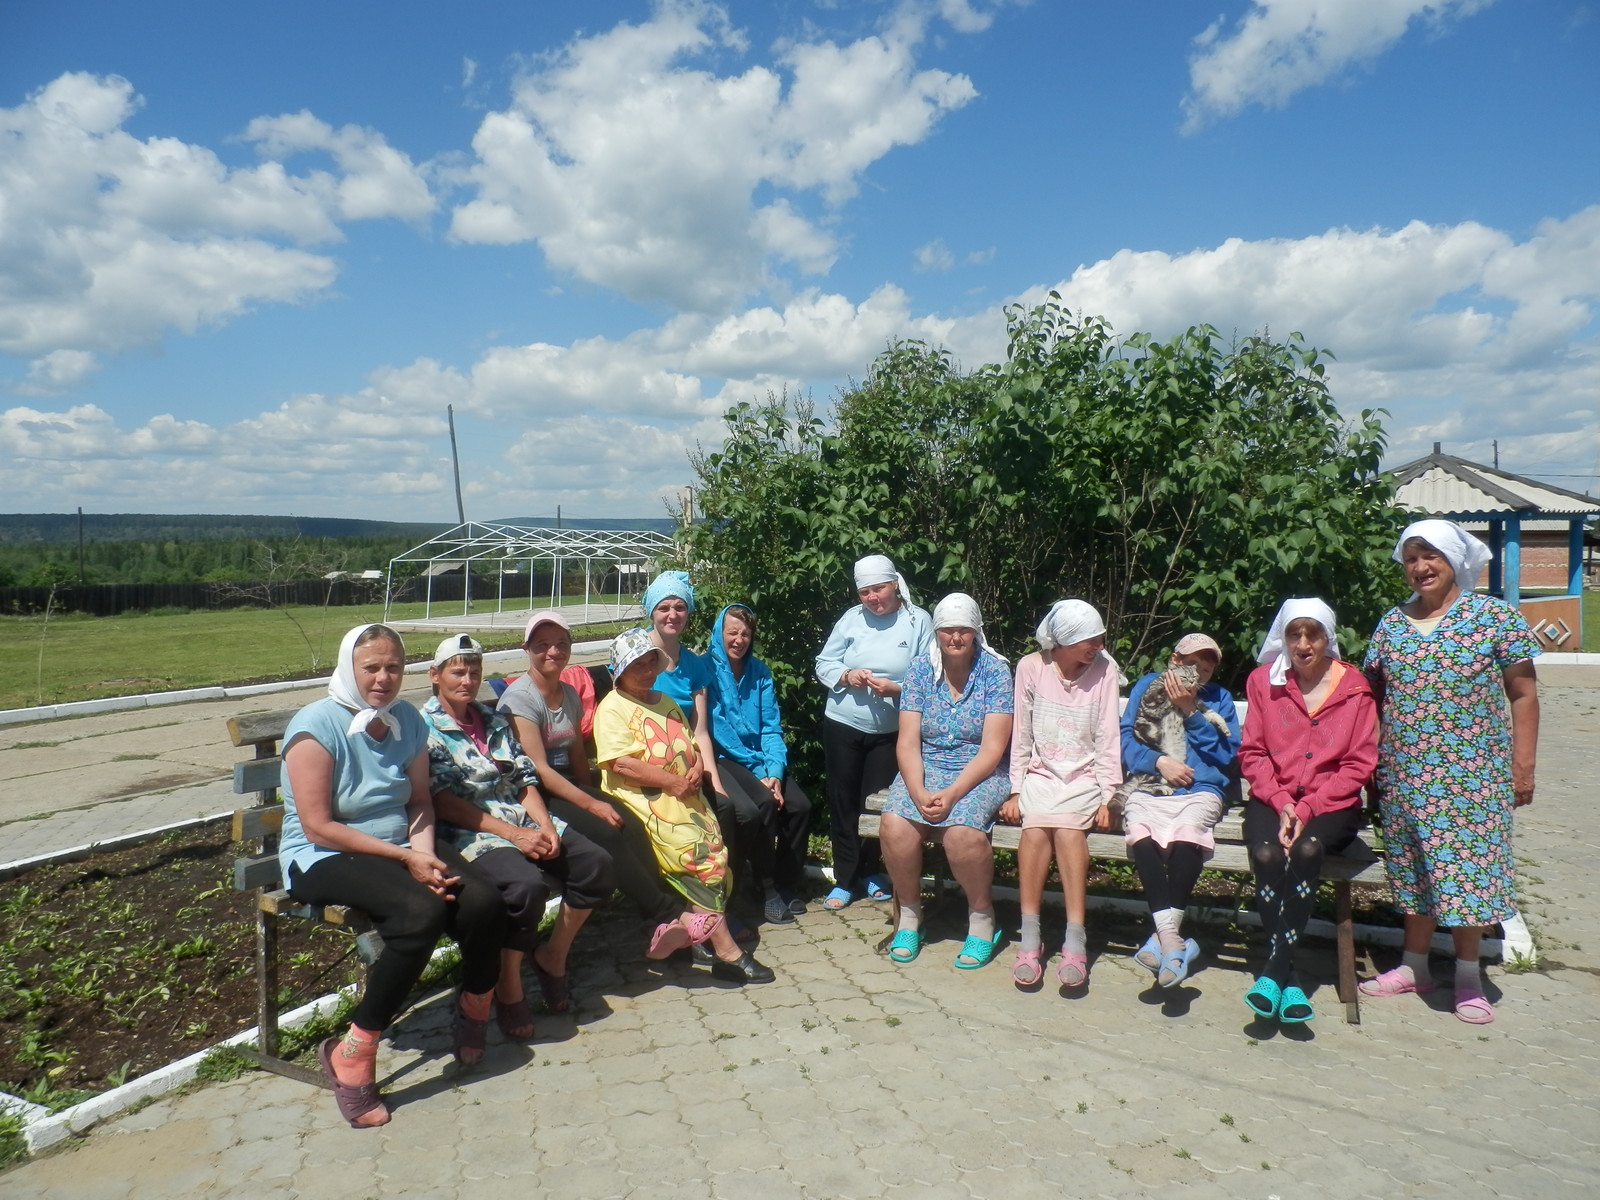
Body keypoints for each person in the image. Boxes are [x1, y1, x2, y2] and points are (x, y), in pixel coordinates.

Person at [279, 624, 505, 1128]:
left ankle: (472, 1007)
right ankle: (353, 1053)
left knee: (484, 901)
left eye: (393, 668)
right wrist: (407, 862)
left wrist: (423, 856)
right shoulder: (316, 726)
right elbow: (318, 824)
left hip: (401, 845)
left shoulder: (406, 719)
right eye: (372, 667)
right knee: (420, 913)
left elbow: (420, 800)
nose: (383, 678)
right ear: (349, 667)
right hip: (322, 854)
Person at [1359, 519, 1540, 1025]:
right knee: (1416, 872)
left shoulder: (1493, 619)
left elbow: (1523, 694)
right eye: (1412, 558)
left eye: (1430, 556)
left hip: (1473, 777)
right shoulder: (1391, 624)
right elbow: (1374, 696)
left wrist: (1522, 766)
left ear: (1453, 559)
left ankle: (1467, 974)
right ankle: (1414, 966)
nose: (1420, 568)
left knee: (1470, 876)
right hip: (1406, 776)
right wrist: (1372, 762)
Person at [422, 633, 613, 1031]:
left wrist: (545, 825)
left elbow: (525, 777)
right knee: (526, 887)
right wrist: (514, 835)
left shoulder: (491, 719)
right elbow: (443, 801)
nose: (467, 680)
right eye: (457, 672)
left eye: (473, 672)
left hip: (522, 818)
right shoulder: (426, 728)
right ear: (434, 676)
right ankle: (509, 981)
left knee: (595, 864)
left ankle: (552, 955)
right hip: (472, 832)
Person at [498, 612, 688, 958]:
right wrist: (592, 804)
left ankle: (658, 921)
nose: (553, 651)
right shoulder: (519, 699)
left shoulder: (568, 693)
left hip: (568, 784)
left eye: (560, 644)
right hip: (536, 793)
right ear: (527, 649)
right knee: (607, 831)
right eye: (542, 645)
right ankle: (666, 914)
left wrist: (597, 794)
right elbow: (539, 770)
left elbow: (573, 754)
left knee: (629, 822)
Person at [594, 627, 776, 984]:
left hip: (684, 796)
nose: (647, 670)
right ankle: (726, 951)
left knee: (716, 850)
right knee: (693, 853)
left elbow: (691, 744)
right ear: (620, 670)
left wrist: (694, 769)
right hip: (644, 801)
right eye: (637, 665)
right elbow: (621, 764)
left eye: (650, 663)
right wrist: (673, 781)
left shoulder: (664, 700)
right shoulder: (612, 708)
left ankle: (695, 932)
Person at [1237, 600, 1378, 1023]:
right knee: (1266, 855)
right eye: (1293, 634)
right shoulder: (1264, 682)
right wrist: (1282, 803)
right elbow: (1253, 752)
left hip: (1331, 802)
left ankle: (1276, 970)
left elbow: (1359, 763)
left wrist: (1308, 806)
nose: (1302, 644)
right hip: (1272, 797)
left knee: (1308, 850)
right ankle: (1290, 977)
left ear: (1327, 637)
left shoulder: (1354, 689)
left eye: (1312, 633)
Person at [878, 594, 1014, 968]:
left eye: (963, 630)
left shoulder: (996, 672)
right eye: (948, 631)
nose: (955, 638)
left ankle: (983, 919)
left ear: (976, 632)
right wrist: (918, 790)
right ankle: (909, 916)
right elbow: (907, 741)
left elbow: (992, 749)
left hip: (980, 771)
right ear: (936, 632)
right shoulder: (921, 670)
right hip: (928, 765)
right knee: (895, 823)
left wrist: (953, 794)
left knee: (962, 833)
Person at [1001, 600, 1122, 990]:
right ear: (1064, 642)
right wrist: (1016, 789)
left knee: (1069, 834)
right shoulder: (1031, 667)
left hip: (1084, 779)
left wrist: (1109, 796)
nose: (1098, 646)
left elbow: (1107, 736)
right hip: (1040, 776)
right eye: (1090, 640)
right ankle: (1030, 937)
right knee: (1034, 833)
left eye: (1101, 638)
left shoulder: (1106, 669)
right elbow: (1021, 733)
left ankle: (1075, 939)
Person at [1120, 633, 1240, 989]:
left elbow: (1227, 756)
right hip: (1150, 786)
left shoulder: (1219, 699)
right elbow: (1126, 738)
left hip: (1200, 791)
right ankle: (1174, 942)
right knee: (1141, 836)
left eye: (1206, 668)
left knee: (1187, 839)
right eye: (1192, 665)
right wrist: (1159, 762)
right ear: (1175, 660)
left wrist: (1191, 712)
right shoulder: (1146, 686)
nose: (1198, 674)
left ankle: (1162, 940)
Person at [814, 554, 933, 909]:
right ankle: (844, 878)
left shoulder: (918, 622)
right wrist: (847, 676)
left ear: (895, 584)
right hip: (843, 724)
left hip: (892, 730)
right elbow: (824, 662)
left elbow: (930, 674)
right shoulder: (851, 620)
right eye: (865, 592)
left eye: (878, 589)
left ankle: (869, 872)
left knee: (876, 805)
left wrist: (896, 689)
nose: (872, 598)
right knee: (843, 800)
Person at [705, 603, 814, 924]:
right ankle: (763, 887)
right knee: (763, 803)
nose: (739, 640)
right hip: (727, 759)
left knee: (800, 807)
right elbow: (719, 731)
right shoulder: (706, 672)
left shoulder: (760, 673)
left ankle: (784, 883)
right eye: (732, 633)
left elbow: (770, 728)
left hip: (762, 762)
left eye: (745, 634)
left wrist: (774, 773)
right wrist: (760, 776)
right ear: (719, 634)